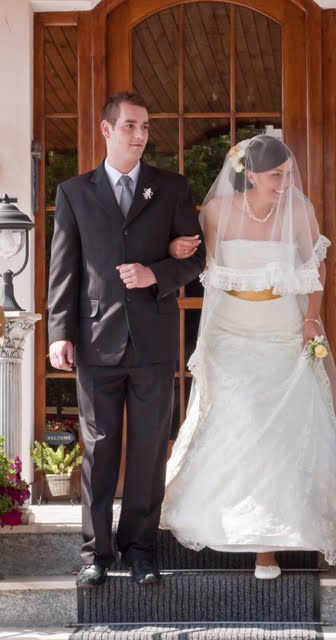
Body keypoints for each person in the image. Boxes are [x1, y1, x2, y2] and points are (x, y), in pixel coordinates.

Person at [160, 135, 336, 579]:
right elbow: (203, 269)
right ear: (250, 174)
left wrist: (311, 319)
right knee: (241, 421)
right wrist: (204, 336)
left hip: (283, 328)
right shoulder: (216, 211)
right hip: (229, 330)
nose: (285, 183)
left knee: (279, 433)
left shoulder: (300, 211)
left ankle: (267, 548)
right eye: (276, 175)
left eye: (287, 174)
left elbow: (315, 268)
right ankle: (226, 521)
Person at [48, 91, 206, 587]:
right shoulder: (74, 192)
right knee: (99, 450)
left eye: (145, 127)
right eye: (131, 126)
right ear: (107, 129)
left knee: (148, 451)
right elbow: (64, 269)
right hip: (96, 340)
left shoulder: (173, 188)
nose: (140, 135)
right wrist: (59, 333)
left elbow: (197, 259)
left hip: (154, 341)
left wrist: (155, 273)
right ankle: (96, 554)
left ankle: (140, 551)